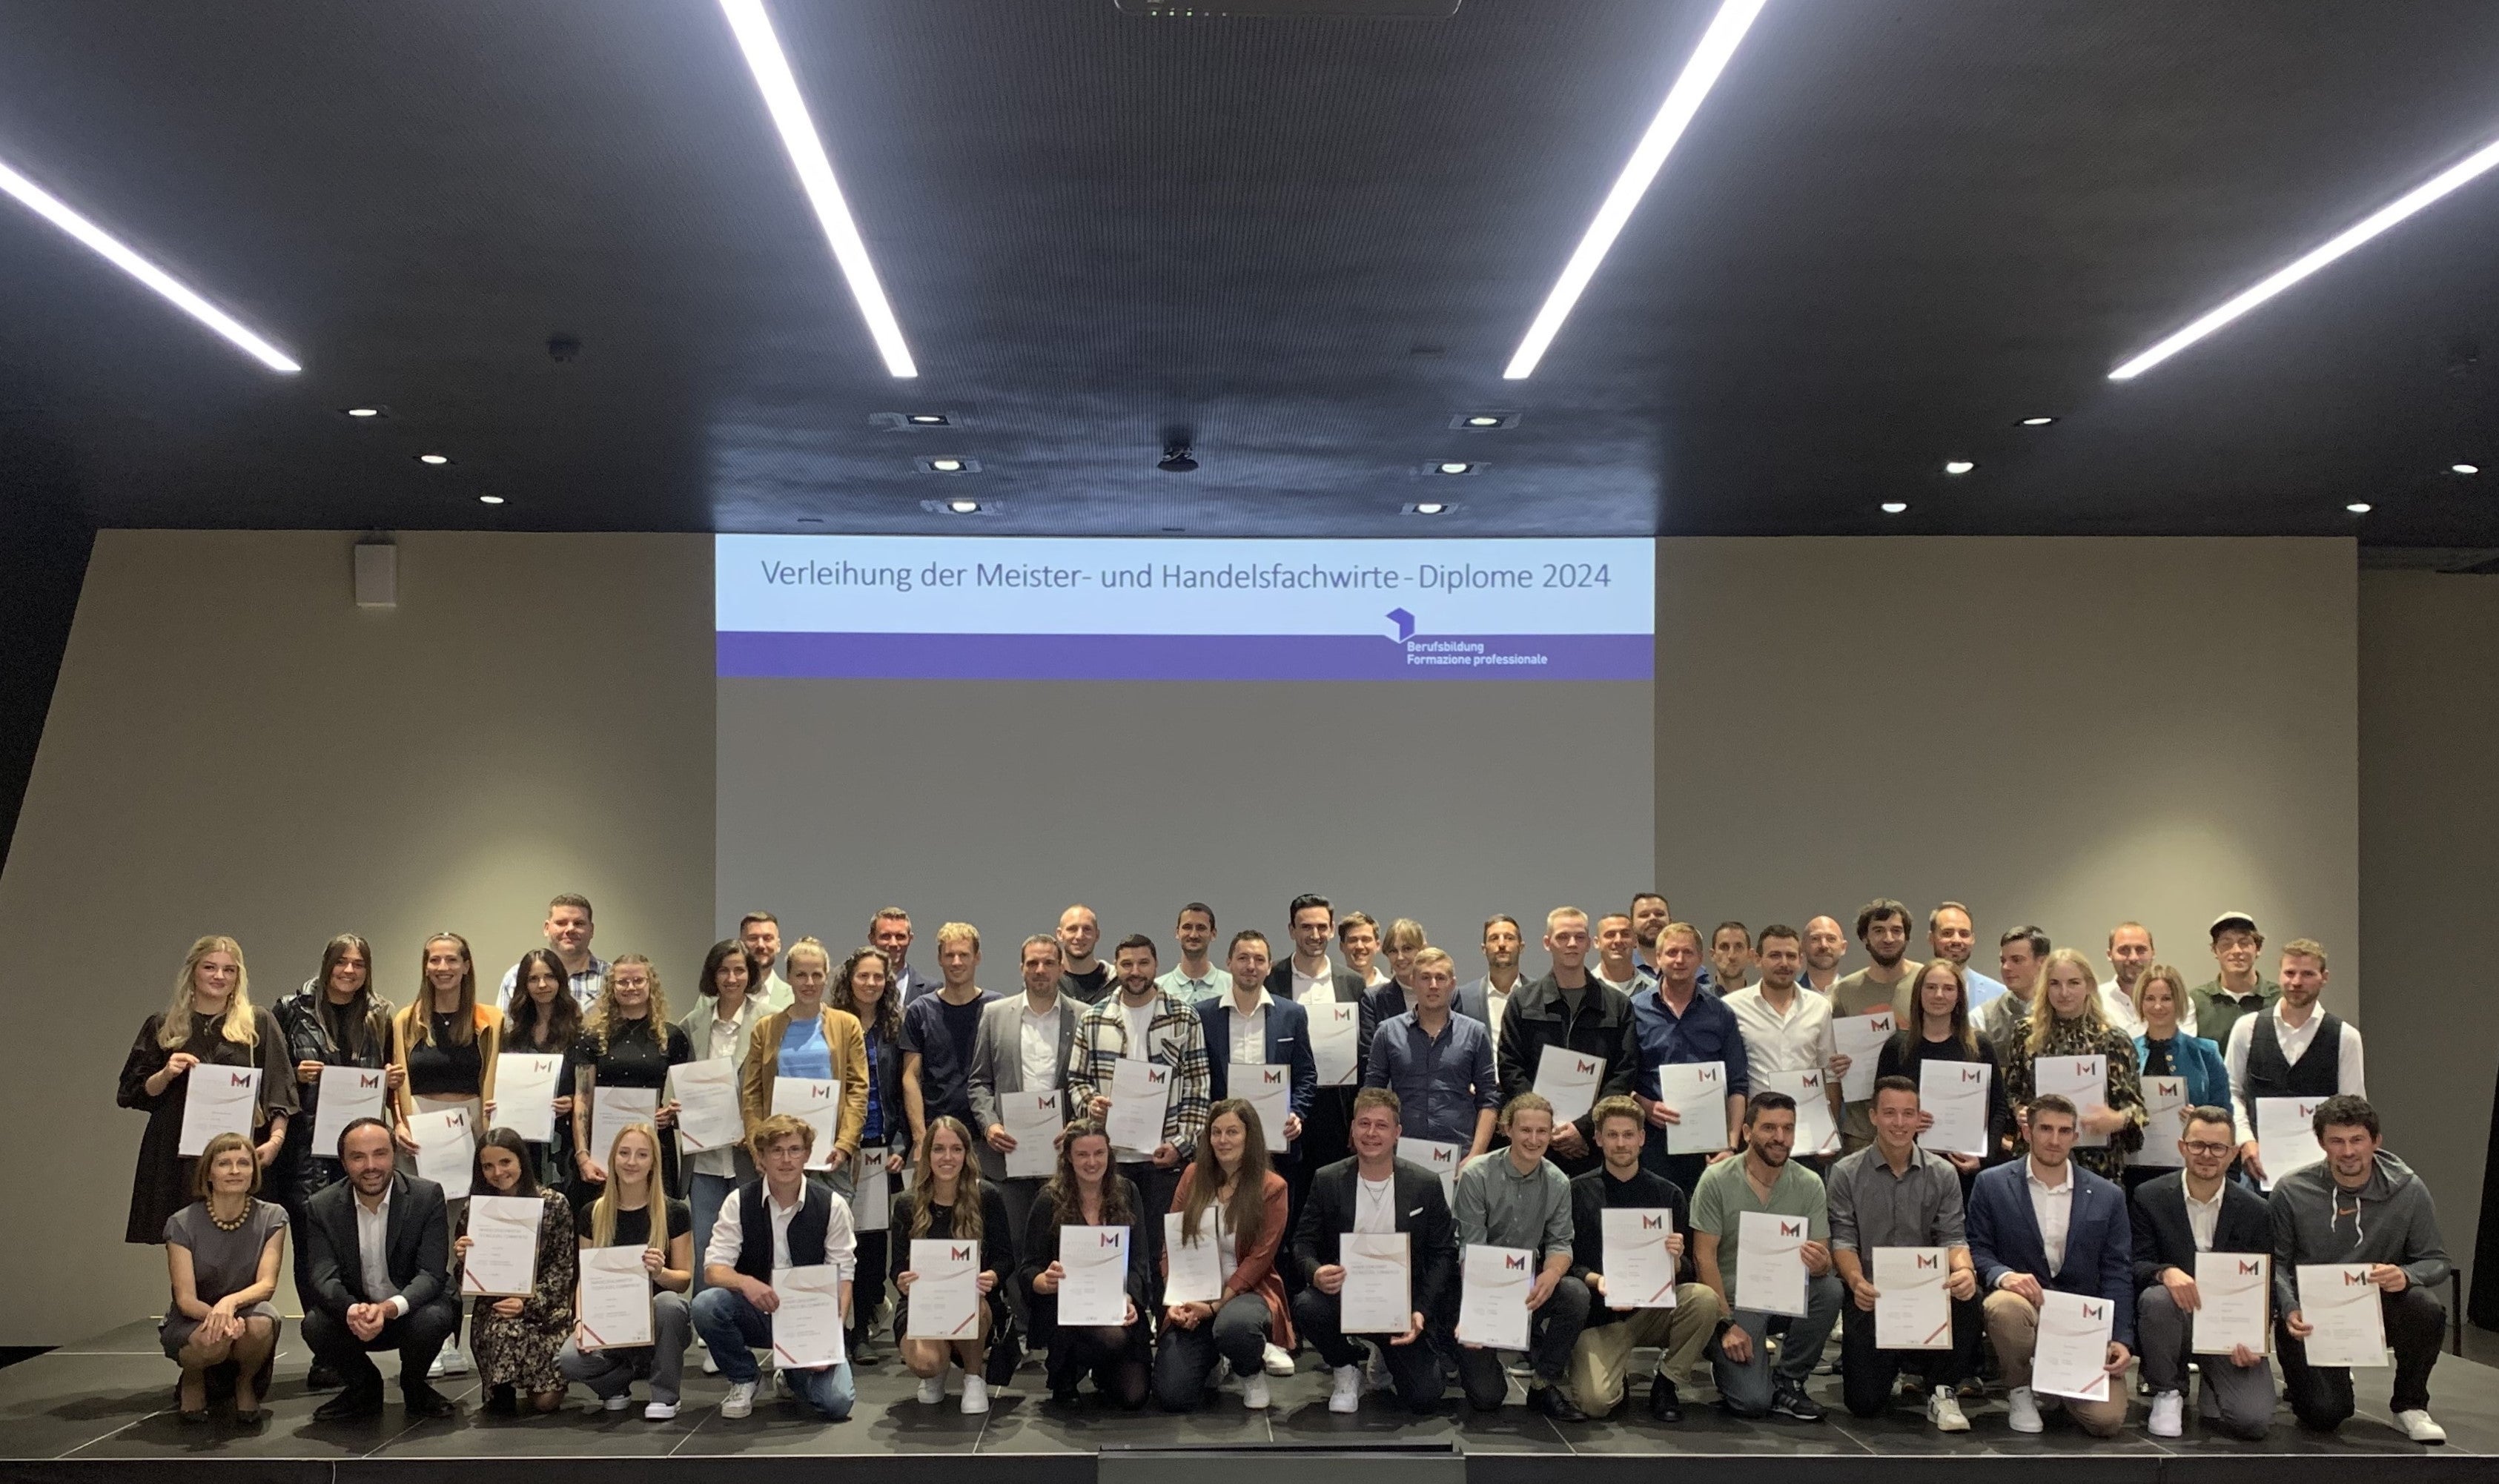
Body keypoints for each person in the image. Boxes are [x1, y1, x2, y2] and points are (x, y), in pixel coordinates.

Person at [2271, 1094, 2450, 1442]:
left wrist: (2407, 1276)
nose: (2348, 1151)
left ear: (2376, 1141)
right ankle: (2309, 1382)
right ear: (2322, 1143)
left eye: (2357, 1140)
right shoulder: (2291, 1190)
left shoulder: (2408, 1189)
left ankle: (2410, 1405)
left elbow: (2436, 1260)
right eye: (2337, 1141)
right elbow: (2277, 1262)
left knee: (2425, 1307)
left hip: (2377, 1306)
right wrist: (2289, 1307)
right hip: (2313, 1316)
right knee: (2325, 1414)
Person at [1966, 1096, 2134, 1436]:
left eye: (2064, 1131)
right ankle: (2020, 1389)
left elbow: (2117, 1271)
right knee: (2004, 1307)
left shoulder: (2108, 1195)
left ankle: (2055, 1388)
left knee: (2106, 1421)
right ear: (2027, 1132)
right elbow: (1977, 1248)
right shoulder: (1992, 1184)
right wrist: (2003, 1276)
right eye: (2045, 1129)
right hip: (2026, 1306)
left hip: (2080, 1324)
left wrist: (2121, 1338)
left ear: (2076, 1136)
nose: (2054, 1140)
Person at [270, 933, 394, 1389]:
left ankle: (353, 1343)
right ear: (327, 964)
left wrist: (391, 1078)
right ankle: (326, 1353)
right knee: (312, 1253)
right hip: (306, 1149)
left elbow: (389, 1073)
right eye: (342, 962)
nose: (349, 971)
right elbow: (268, 1076)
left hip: (362, 1151)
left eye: (358, 964)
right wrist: (294, 1074)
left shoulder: (380, 1014)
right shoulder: (291, 1009)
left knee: (359, 1249)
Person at [120, 935, 298, 1246]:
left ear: (238, 977)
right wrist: (166, 1073)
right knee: (184, 1245)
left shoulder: (258, 1024)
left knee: (241, 1246)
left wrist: (276, 1140)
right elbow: (132, 1092)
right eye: (210, 967)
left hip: (239, 1154)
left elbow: (280, 1088)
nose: (219, 976)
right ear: (193, 971)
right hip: (178, 1157)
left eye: (229, 970)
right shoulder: (164, 1025)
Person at [1827, 1077, 1981, 1431]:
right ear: (1873, 1116)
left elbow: (1954, 1236)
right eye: (1890, 1113)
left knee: (1969, 1295)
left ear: (1918, 1118)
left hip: (1928, 1295)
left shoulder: (1943, 1174)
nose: (1899, 1122)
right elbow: (1843, 1241)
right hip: (1872, 1295)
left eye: (1908, 1113)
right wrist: (1856, 1282)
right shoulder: (1845, 1173)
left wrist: (1965, 1271)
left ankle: (1941, 1389)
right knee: (1864, 1404)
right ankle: (1894, 1368)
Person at [1291, 1087, 1453, 1414]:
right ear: (1352, 1129)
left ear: (1397, 1132)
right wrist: (1315, 1272)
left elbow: (1442, 1253)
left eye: (1381, 1125)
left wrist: (1420, 1310)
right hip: (1346, 1295)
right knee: (1307, 1306)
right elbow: (1302, 1242)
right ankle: (1345, 1366)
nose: (1371, 1133)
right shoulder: (1328, 1179)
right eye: (1364, 1124)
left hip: (1401, 1305)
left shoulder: (1425, 1184)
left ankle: (1383, 1352)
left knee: (1425, 1396)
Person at [690, 1114, 856, 1421]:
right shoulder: (738, 1202)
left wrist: (829, 1338)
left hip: (809, 1320)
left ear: (807, 1155)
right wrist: (746, 1283)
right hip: (757, 1312)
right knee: (706, 1305)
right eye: (776, 1151)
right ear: (762, 1157)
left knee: (837, 1402)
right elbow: (713, 1270)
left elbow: (843, 1278)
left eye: (795, 1150)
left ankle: (791, 1375)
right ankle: (745, 1378)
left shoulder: (833, 1205)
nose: (786, 1160)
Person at [1565, 1096, 1719, 1422]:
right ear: (1598, 1139)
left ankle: (1667, 1381)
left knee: (1704, 1299)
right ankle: (1613, 1371)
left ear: (1642, 1138)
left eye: (1628, 1135)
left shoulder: (1669, 1194)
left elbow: (1687, 1270)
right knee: (1595, 1404)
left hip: (1653, 1310)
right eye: (1612, 1135)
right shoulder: (1576, 1192)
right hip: (1600, 1317)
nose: (1621, 1143)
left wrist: (1675, 1260)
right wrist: (1598, 1280)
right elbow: (1568, 1262)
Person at [2128, 1104, 2276, 1440]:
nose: (2207, 1155)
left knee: (2252, 1420)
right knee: (2157, 1299)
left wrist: (2255, 1339)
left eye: (2218, 1147)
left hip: (2228, 1330)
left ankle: (2214, 1383)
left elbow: (2264, 1284)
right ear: (2182, 1147)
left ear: (2233, 1153)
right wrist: (2164, 1272)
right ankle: (2168, 1391)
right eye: (2198, 1145)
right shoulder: (2149, 1197)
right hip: (2173, 1319)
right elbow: (2134, 1264)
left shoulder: (2256, 1211)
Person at [300, 1117, 460, 1422]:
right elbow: (323, 1276)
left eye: (380, 1154)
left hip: (410, 1310)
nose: (371, 1166)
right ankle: (364, 1388)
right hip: (357, 1315)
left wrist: (387, 1309)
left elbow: (431, 1274)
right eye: (358, 1157)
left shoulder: (427, 1196)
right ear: (343, 1163)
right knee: (315, 1325)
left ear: (394, 1155)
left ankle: (414, 1386)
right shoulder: (321, 1206)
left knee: (434, 1317)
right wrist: (353, 1310)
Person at [1691, 1091, 1839, 1421]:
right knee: (1753, 1403)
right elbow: (1704, 1258)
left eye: (1788, 1128)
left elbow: (1823, 1260)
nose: (1780, 1138)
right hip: (1734, 1302)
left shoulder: (1810, 1184)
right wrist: (1726, 1324)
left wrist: (1822, 1264)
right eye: (1769, 1128)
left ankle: (1789, 1380)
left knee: (1829, 1289)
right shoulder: (1716, 1180)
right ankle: (1726, 1362)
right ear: (1747, 1132)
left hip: (1786, 1295)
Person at [1073, 935, 1211, 1273]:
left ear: (1156, 965)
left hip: (1164, 1160)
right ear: (1116, 967)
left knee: (1162, 1254)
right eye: (1127, 964)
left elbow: (1199, 1087)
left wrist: (1181, 1145)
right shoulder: (1093, 1019)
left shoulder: (1184, 1017)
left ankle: (1161, 1309)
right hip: (1110, 1160)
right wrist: (1090, 1104)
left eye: (1143, 963)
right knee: (1114, 1254)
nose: (1135, 971)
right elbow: (1077, 1080)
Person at [1451, 1094, 1590, 1418]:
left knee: (1575, 1293)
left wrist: (1552, 1274)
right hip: (1478, 1285)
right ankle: (1461, 1347)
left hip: (1527, 1284)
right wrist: (1477, 1314)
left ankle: (1543, 1383)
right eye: (1525, 1130)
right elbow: (1470, 1250)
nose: (1534, 1139)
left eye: (1542, 1131)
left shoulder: (1558, 1181)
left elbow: (1561, 1243)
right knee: (1487, 1398)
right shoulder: (1477, 1175)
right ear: (1507, 1130)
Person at [1156, 1099, 1294, 1411]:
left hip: (1246, 1292)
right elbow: (1171, 1243)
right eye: (1216, 1132)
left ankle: (1250, 1370)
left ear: (1250, 1137)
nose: (1222, 1140)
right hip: (1194, 1294)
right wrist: (1176, 1298)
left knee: (1234, 1327)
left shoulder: (1272, 1187)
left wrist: (1215, 1306)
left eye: (1232, 1132)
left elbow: (1259, 1259)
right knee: (1173, 1395)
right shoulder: (1192, 1175)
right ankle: (1215, 1358)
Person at [560, 1122, 694, 1419]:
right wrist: (581, 1320)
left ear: (654, 1163)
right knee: (568, 1359)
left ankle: (665, 1396)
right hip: (611, 1323)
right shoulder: (593, 1213)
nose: (632, 1162)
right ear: (613, 1158)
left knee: (670, 1304)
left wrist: (660, 1273)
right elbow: (585, 1278)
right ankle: (616, 1385)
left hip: (657, 1325)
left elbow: (684, 1280)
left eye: (642, 1155)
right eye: (624, 1153)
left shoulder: (674, 1212)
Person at [1019, 1119, 1154, 1408]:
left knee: (1134, 1397)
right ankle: (1067, 1368)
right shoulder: (1048, 1199)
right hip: (1066, 1312)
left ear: (1109, 1154)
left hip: (1117, 1303)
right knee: (1111, 1337)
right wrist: (1045, 1281)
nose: (1092, 1162)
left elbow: (1139, 1261)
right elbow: (1028, 1268)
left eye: (1099, 1153)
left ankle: (1099, 1369)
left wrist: (1128, 1298)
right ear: (1069, 1157)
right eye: (1082, 1154)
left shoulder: (1128, 1192)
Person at [1265, 894, 1375, 1250]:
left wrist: (1358, 1113)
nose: (1314, 935)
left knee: (1335, 1197)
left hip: (1336, 1106)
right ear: (1291, 930)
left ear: (1331, 930)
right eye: (1306, 927)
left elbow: (1364, 1051)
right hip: (1288, 1106)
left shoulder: (1351, 982)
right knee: (1287, 1196)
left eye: (1321, 927)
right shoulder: (1272, 979)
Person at [1497, 907, 1638, 1179]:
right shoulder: (1522, 1002)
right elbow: (1510, 1067)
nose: (1572, 944)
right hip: (1536, 1144)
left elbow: (1624, 1073)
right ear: (1547, 943)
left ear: (1589, 943)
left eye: (1579, 937)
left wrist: (1584, 1128)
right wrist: (1544, 1124)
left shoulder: (1617, 1005)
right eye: (1563, 937)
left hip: (1594, 1145)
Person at [162, 1131, 286, 1426]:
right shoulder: (181, 1223)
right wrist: (218, 1318)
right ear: (208, 1173)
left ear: (253, 1172)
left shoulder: (273, 1216)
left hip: (245, 1308)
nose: (234, 1171)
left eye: (243, 1163)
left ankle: (245, 1383)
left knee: (262, 1323)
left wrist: (229, 1304)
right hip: (195, 1315)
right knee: (212, 1341)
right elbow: (185, 1299)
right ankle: (193, 1377)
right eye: (224, 1163)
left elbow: (267, 1284)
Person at [893, 1116, 1016, 1413]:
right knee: (925, 1363)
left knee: (974, 1304)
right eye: (939, 1149)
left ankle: (974, 1377)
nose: (947, 1157)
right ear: (927, 1154)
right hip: (923, 1306)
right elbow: (896, 1266)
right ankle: (938, 1370)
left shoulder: (987, 1196)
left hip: (976, 1303)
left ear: (966, 1154)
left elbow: (1006, 1258)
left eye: (956, 1149)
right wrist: (902, 1280)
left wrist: (992, 1276)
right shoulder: (908, 1203)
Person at [969, 934, 1085, 1239]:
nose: (1040, 970)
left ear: (1061, 968)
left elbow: (1091, 1082)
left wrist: (1078, 1126)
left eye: (1048, 963)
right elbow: (979, 1081)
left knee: (1061, 1245)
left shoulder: (1083, 1016)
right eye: (1032, 963)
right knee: (1014, 1246)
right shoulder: (995, 1014)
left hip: (1063, 1156)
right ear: (1021, 968)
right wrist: (990, 1126)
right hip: (1008, 1157)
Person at [828, 941, 910, 1359]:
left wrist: (904, 1144)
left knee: (873, 1244)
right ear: (849, 979)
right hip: (838, 1149)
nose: (871, 983)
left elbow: (905, 1089)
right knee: (836, 1241)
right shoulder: (830, 1025)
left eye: (879, 976)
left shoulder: (896, 1027)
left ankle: (861, 1329)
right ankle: (835, 1329)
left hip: (880, 1147)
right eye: (863, 975)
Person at [457, 1126, 575, 1414]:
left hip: (544, 1309)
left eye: (505, 1162)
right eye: (488, 1166)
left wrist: (528, 1302)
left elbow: (562, 1271)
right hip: (496, 1308)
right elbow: (465, 1281)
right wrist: (464, 1261)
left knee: (546, 1403)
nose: (498, 1172)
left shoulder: (554, 1205)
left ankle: (533, 1379)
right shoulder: (475, 1210)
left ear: (521, 1160)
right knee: (501, 1402)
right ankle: (501, 1386)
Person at [2228, 938, 2365, 1185]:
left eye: (2308, 974)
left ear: (2324, 978)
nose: (2297, 982)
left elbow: (2353, 1110)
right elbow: (2231, 1092)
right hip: (2257, 1171)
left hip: (2323, 1177)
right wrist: (2245, 1140)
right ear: (2279, 975)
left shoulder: (2346, 1037)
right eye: (2290, 973)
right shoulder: (2246, 1028)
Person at [2002, 947, 2146, 1181]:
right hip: (2037, 1158)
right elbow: (2012, 1091)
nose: (2064, 992)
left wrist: (2116, 1119)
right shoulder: (2026, 1034)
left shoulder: (2113, 1039)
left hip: (2096, 1164)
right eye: (2055, 984)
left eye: (2074, 983)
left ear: (2089, 986)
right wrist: (2020, 1111)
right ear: (2045, 987)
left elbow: (2138, 1111)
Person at [678, 941, 763, 1325]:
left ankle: (751, 1319)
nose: (732, 978)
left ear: (750, 974)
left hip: (749, 1153)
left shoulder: (769, 1021)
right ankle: (708, 1322)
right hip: (705, 1157)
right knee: (706, 1243)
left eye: (739, 970)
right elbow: (680, 1083)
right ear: (712, 975)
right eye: (724, 970)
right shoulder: (691, 1024)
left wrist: (755, 1130)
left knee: (752, 1241)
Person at [1631, 922, 1750, 1191]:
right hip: (1652, 1141)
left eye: (1688, 952)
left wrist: (1731, 1146)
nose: (1680, 959)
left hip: (1711, 1147)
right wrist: (1645, 1106)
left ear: (1700, 958)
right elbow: (1621, 1078)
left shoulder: (1721, 1014)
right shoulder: (1635, 1010)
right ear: (1658, 957)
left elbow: (1737, 1084)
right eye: (1672, 952)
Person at [568, 955, 692, 1203]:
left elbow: (687, 1099)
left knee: (655, 1218)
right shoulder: (592, 1036)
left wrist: (671, 1115)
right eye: (622, 982)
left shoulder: (672, 1036)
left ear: (650, 984)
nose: (631, 987)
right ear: (611, 987)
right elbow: (582, 1099)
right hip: (603, 1147)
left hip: (655, 1144)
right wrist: (583, 1156)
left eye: (638, 980)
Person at [739, 938, 870, 1174]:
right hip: (779, 1154)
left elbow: (858, 1090)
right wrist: (758, 1148)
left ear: (826, 977)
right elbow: (752, 1096)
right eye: (801, 975)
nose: (809, 983)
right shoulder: (765, 1029)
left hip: (832, 1153)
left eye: (817, 975)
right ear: (789, 977)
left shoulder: (848, 1025)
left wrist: (845, 1144)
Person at [1876, 960, 2013, 1179]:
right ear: (1919, 993)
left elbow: (1999, 1107)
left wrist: (1984, 1157)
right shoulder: (1897, 1047)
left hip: (1965, 1168)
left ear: (1959, 996)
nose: (1938, 995)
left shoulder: (1979, 1046)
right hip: (1909, 1168)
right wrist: (1908, 1119)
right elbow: (1881, 1107)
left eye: (1948, 988)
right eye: (1931, 987)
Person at [1363, 947, 1495, 1156]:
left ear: (1452, 984)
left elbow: (1488, 1098)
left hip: (1459, 1153)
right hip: (1401, 1152)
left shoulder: (1475, 1033)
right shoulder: (1388, 1032)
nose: (1433, 985)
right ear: (1413, 982)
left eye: (1440, 978)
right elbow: (1372, 1095)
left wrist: (1475, 1156)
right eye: (1425, 978)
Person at [1724, 925, 1841, 1150]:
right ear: (1757, 959)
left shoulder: (1820, 1007)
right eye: (1775, 956)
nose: (1784, 963)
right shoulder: (1732, 1007)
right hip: (1756, 1133)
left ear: (1801, 960)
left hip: (1808, 1132)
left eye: (1791, 956)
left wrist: (1829, 1134)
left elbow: (1829, 1074)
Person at [1205, 931, 1320, 1155]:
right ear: (1229, 963)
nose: (1251, 966)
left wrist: (1297, 1113)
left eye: (1259, 960)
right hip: (1222, 1144)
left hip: (1277, 1140)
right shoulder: (1204, 1015)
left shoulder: (1292, 1014)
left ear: (1269, 967)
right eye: (1243, 958)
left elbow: (1306, 1074)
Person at [1831, 901, 1922, 1147]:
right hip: (1861, 1129)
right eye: (1878, 930)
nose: (1888, 938)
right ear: (1865, 938)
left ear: (1907, 936)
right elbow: (1833, 1054)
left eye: (1896, 930)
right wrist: (1838, 1063)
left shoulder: (1927, 983)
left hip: (1918, 1127)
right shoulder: (1845, 991)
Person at [2130, 965, 2228, 1193]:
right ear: (2140, 1003)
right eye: (2150, 998)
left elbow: (2225, 1112)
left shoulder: (2206, 1052)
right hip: (2136, 1167)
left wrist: (2201, 1117)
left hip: (2191, 1167)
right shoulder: (2126, 1052)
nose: (2158, 1006)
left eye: (2166, 998)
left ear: (2179, 1002)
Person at [901, 922, 996, 1144]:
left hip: (988, 1135)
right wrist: (920, 1137)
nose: (956, 962)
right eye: (949, 955)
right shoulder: (920, 1010)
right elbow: (911, 1077)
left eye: (964, 955)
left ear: (977, 957)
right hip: (936, 1134)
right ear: (939, 959)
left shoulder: (996, 1008)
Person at [505, 948, 584, 1185]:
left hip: (565, 1140)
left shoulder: (579, 1033)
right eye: (533, 979)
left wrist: (573, 1100)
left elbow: (590, 1088)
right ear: (524, 985)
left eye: (549, 977)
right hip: (524, 1141)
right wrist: (499, 1105)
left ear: (560, 980)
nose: (542, 985)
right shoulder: (514, 1035)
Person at [497, 894, 608, 1011]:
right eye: (561, 923)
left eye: (579, 923)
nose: (570, 929)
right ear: (546, 928)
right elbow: (504, 1023)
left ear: (591, 930)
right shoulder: (515, 977)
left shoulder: (612, 977)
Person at [2191, 912, 2279, 1052]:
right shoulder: (2195, 1002)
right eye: (2226, 944)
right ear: (2215, 951)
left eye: (2244, 943)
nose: (2237, 951)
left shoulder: (2281, 1000)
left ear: (2258, 949)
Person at [1972, 925, 2048, 1059]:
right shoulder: (1981, 1018)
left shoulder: (2065, 1010)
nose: (2006, 967)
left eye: (2016, 960)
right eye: (2003, 961)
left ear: (2042, 962)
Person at [1457, 913, 1527, 1059]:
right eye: (1494, 938)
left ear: (1521, 947)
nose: (1501, 944)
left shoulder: (1539, 995)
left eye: (1509, 938)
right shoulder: (1463, 998)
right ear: (1484, 949)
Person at [2100, 922, 2183, 1037]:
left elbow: (2184, 1046)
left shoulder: (2179, 1001)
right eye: (2124, 950)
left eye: (2140, 949)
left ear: (2153, 953)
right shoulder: (2093, 1001)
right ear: (2109, 955)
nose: (2133, 958)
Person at [1925, 902, 2008, 1008]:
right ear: (1931, 938)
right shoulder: (1914, 988)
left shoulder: (1998, 995)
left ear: (1973, 939)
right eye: (1947, 933)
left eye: (1964, 934)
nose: (1956, 940)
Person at [1156, 902, 1234, 1004]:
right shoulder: (1157, 989)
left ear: (1213, 934)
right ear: (1177, 933)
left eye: (1201, 928)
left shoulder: (1232, 987)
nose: (1193, 935)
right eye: (1187, 927)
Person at [871, 907, 938, 1005]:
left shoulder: (931, 990)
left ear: (910, 939)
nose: (893, 944)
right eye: (886, 936)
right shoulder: (855, 988)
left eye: (900, 937)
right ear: (872, 939)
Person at [1057, 904, 1113, 1004]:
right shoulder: (1048, 981)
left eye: (1087, 929)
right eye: (1072, 929)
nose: (1080, 936)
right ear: (1060, 935)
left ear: (1097, 935)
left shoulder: (1116, 981)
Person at [737, 911, 792, 1012]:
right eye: (753, 938)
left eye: (768, 938)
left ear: (778, 945)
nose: (761, 945)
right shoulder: (718, 996)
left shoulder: (794, 999)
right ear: (740, 945)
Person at [1592, 912, 1647, 997]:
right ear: (1597, 943)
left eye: (1625, 934)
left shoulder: (1653, 990)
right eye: (1610, 935)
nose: (1618, 940)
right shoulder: (1583, 989)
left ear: (1635, 941)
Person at [1340, 912, 1388, 993]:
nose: (1360, 946)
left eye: (1366, 940)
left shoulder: (1392, 991)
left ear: (1378, 945)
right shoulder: (1331, 989)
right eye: (1353, 940)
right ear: (1342, 947)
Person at [1802, 915, 1847, 995]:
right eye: (1815, 939)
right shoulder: (1789, 992)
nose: (1824, 945)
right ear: (1803, 947)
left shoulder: (1854, 995)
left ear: (1843, 948)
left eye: (1831, 939)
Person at [1708, 921, 1756, 996]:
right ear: (1713, 955)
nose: (1731, 956)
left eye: (1739, 947)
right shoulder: (1696, 1000)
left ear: (1750, 955)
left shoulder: (1760, 1001)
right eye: (1724, 947)